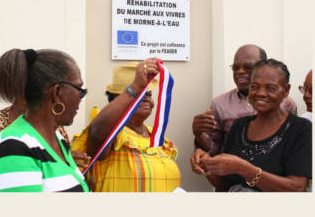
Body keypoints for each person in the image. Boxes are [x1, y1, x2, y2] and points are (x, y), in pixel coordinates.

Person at [0, 49, 88, 192]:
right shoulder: (11, 148)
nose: (81, 97)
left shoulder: (58, 138)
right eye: (79, 89)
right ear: (57, 93)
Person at [190, 59, 312, 192]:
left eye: (270, 88)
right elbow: (225, 185)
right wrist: (208, 166)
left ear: (286, 90)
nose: (260, 93)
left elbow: (297, 188)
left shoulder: (301, 129)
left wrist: (244, 169)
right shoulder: (240, 126)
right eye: (254, 86)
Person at [72, 61, 181, 192]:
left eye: (149, 94)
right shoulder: (112, 132)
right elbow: (98, 135)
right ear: (120, 99)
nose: (146, 99)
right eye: (140, 94)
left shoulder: (159, 138)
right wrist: (135, 87)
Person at [192, 44, 297, 156]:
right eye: (236, 68)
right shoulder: (220, 104)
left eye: (248, 67)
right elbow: (214, 152)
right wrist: (199, 134)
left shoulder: (286, 104)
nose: (240, 72)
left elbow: (293, 147)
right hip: (233, 171)